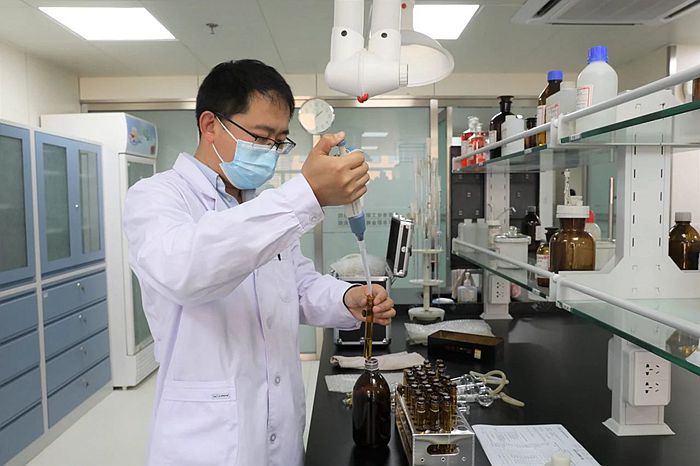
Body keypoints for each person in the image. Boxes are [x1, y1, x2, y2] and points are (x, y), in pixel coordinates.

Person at [123, 59, 395, 466]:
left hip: (281, 429)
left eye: (279, 140)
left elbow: (298, 287)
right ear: (210, 125)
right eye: (262, 137)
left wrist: (346, 298)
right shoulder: (156, 197)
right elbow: (186, 271)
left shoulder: (263, 206)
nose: (270, 151)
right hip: (208, 442)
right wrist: (306, 195)